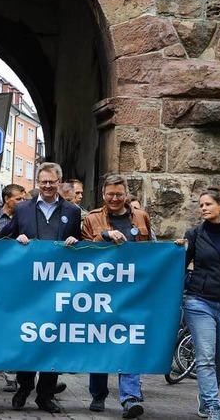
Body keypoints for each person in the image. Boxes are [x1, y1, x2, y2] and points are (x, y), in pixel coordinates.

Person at [0, 162, 81, 414]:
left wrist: (75, 242)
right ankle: (24, 386)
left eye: (51, 181)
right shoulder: (22, 208)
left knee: (53, 340)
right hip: (27, 288)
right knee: (27, 337)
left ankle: (45, 395)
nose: (47, 186)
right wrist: (17, 239)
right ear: (38, 182)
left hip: (58, 289)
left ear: (59, 182)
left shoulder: (73, 211)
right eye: (43, 181)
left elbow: (82, 246)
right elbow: (4, 238)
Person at [76, 174, 152, 418]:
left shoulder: (141, 217)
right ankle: (98, 393)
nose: (115, 198)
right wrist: (105, 236)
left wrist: (173, 249)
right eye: (110, 194)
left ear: (126, 194)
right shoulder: (92, 218)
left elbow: (152, 249)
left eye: (119, 194)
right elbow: (83, 250)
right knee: (100, 341)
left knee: (129, 341)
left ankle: (130, 397)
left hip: (132, 292)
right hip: (100, 292)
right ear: (103, 195)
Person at [176, 187, 220, 420]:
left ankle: (206, 397)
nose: (203, 208)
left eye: (208, 204)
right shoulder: (194, 234)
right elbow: (181, 266)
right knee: (205, 357)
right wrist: (176, 251)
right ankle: (214, 406)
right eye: (201, 205)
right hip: (199, 302)